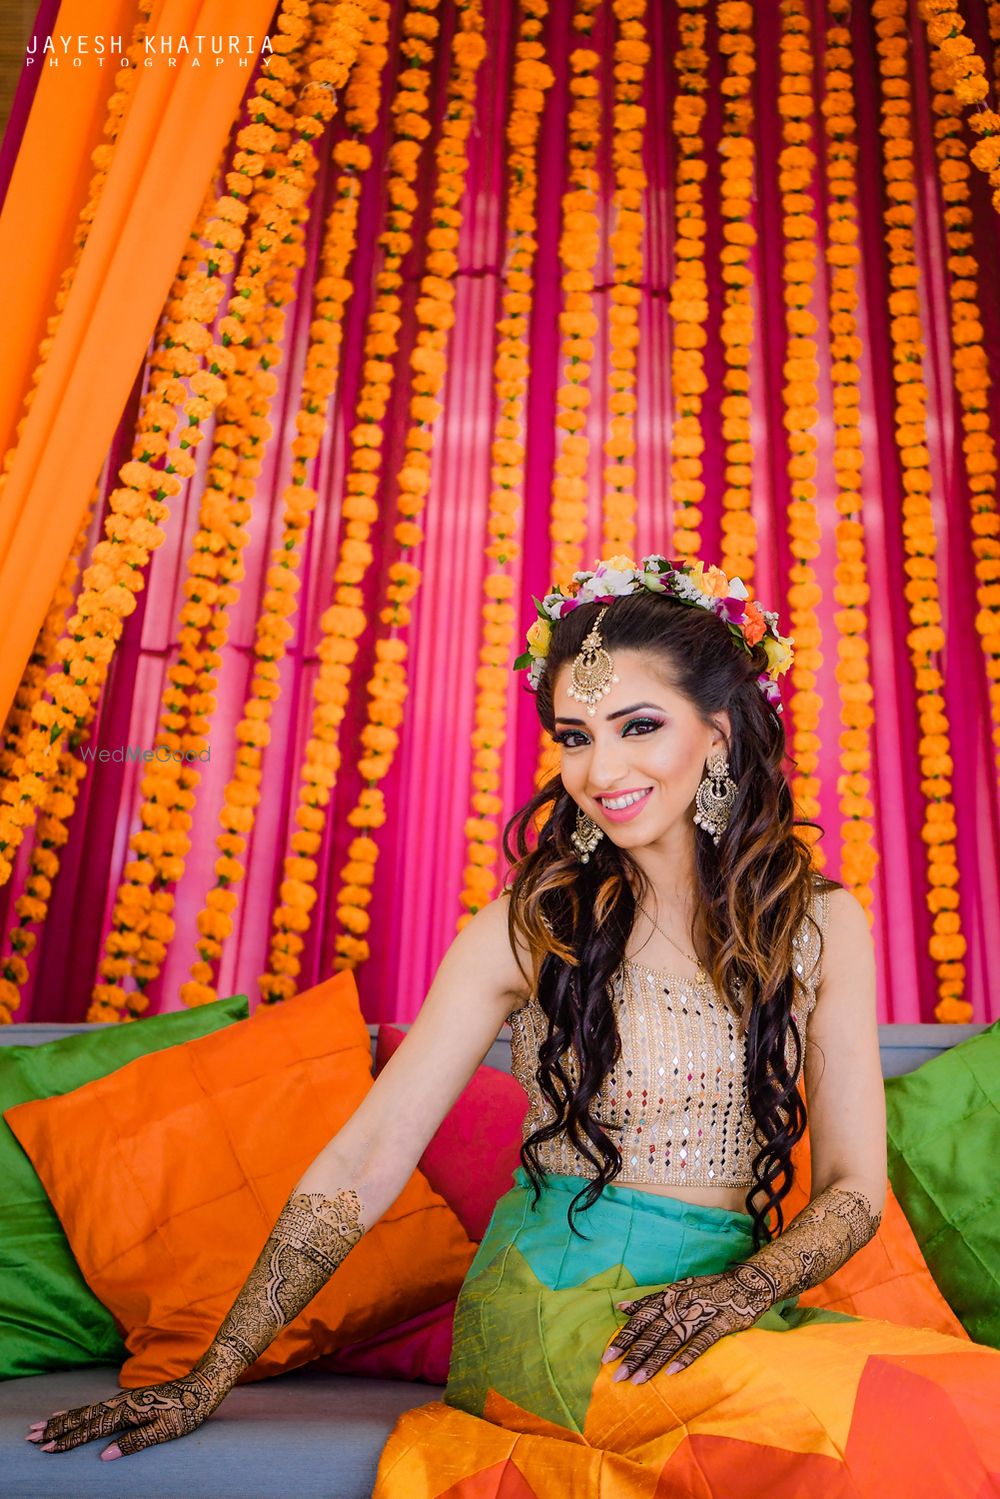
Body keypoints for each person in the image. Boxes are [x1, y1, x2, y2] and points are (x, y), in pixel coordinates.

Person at [25, 554, 1000, 1495]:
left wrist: (741, 1289)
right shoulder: (526, 927)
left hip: (716, 1310)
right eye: (574, 735)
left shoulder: (821, 922)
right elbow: (364, 1159)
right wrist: (211, 1369)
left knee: (971, 1405)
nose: (599, 766)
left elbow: (851, 1187)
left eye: (637, 724)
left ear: (718, 730)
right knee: (854, 1429)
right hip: (555, 1309)